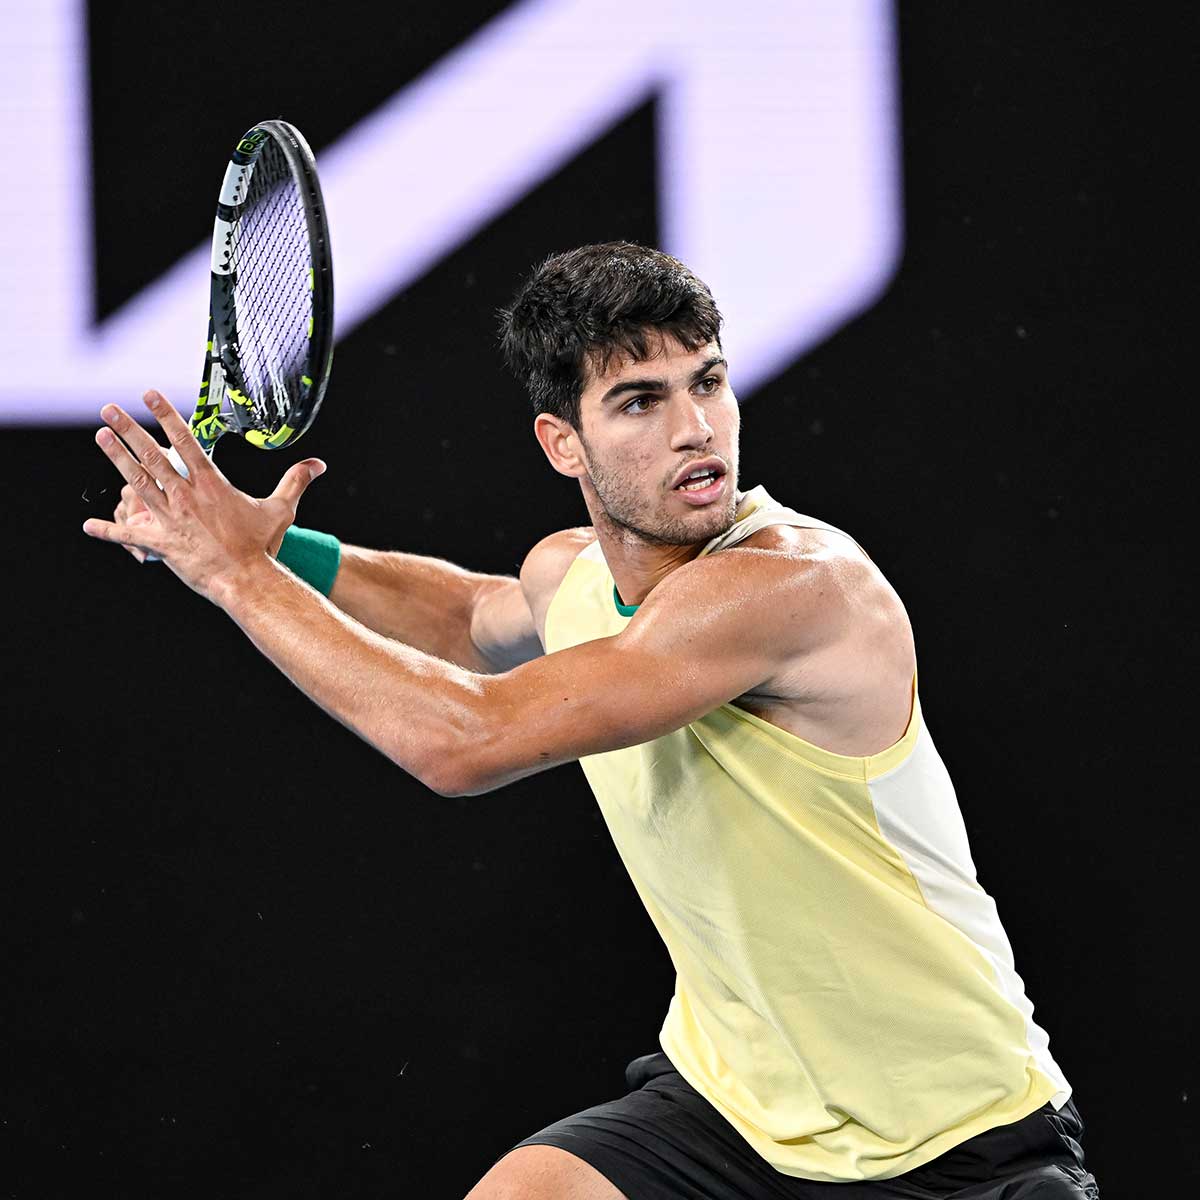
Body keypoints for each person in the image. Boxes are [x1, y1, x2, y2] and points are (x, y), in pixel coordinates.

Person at [85, 242, 1099, 1199]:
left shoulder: (794, 589)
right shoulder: (571, 575)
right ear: (562, 441)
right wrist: (283, 554)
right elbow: (466, 616)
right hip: (733, 1111)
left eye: (707, 381)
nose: (695, 427)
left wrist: (234, 574)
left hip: (955, 1146)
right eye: (639, 402)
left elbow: (463, 741)